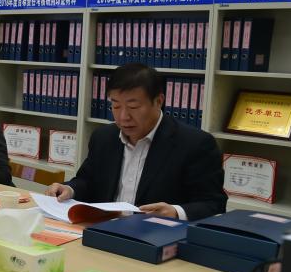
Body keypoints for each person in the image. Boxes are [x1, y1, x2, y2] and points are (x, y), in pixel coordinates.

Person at [45, 63, 226, 220]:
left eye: (133, 106)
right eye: (116, 106)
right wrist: (69, 189)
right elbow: (88, 180)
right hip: (101, 229)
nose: (123, 116)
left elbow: (213, 203)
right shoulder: (103, 137)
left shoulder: (195, 144)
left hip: (155, 236)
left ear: (158, 101)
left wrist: (176, 212)